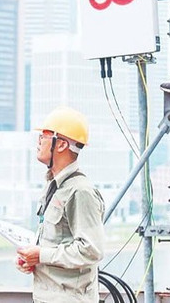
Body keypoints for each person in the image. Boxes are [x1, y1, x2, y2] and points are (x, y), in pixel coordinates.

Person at [15, 106, 105, 303]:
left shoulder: (80, 191)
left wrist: (41, 255)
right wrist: (33, 259)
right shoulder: (54, 186)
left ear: (62, 144)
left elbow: (91, 250)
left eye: (45, 135)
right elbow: (56, 242)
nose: (39, 141)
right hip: (47, 296)